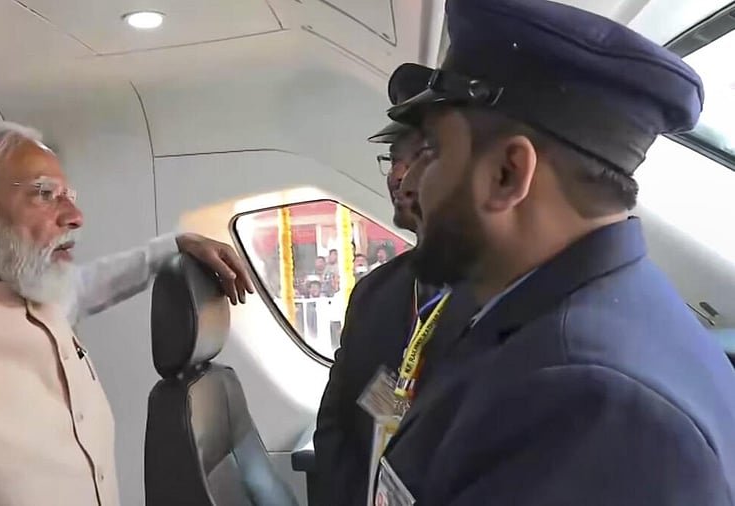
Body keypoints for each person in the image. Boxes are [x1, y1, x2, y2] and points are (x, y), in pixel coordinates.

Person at [375, 0, 735, 504]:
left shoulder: (593, 402)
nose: (410, 180)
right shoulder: (563, 323)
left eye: (431, 152)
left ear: (507, 174)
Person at [0, 120, 255, 506]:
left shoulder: (26, 290)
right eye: (43, 194)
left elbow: (88, 285)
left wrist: (175, 245)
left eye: (68, 197)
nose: (75, 217)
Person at [313, 63, 453, 506]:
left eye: (416, 158)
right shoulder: (374, 293)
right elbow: (336, 424)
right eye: (393, 160)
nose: (398, 175)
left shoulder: (494, 298)